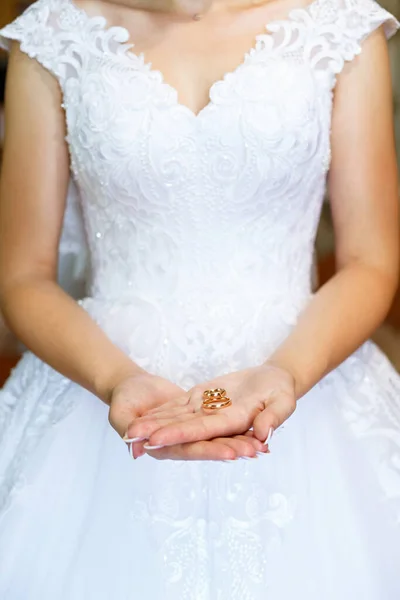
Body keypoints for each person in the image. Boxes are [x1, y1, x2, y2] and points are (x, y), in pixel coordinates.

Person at [0, 0, 399, 597]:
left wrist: (285, 373)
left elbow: (371, 261)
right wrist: (115, 381)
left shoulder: (340, 25)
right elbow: (22, 276)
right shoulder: (54, 35)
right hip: (101, 378)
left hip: (309, 375)